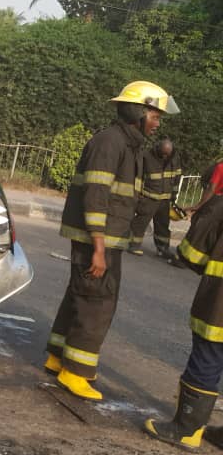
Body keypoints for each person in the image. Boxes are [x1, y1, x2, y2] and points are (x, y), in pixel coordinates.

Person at [44, 81, 180, 401]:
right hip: (99, 239)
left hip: (106, 238)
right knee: (97, 303)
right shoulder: (110, 143)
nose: (157, 123)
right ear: (137, 112)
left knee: (80, 295)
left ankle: (57, 357)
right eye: (154, 115)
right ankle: (75, 372)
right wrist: (99, 248)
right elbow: (96, 195)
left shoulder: (128, 145)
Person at [144, 156, 223, 451]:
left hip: (219, 307)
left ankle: (186, 429)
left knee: (207, 359)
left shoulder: (219, 207)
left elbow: (191, 255)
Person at [128, 138, 182, 258]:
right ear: (157, 148)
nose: (165, 156)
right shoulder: (146, 156)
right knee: (140, 223)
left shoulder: (175, 158)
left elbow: (177, 178)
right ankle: (133, 245)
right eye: (163, 153)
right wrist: (137, 195)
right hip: (148, 197)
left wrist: (173, 196)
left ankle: (163, 248)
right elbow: (138, 176)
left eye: (167, 154)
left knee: (163, 226)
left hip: (165, 200)